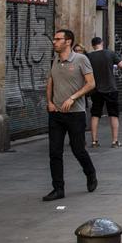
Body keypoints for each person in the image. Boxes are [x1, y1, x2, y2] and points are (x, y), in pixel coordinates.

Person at [43, 29, 98, 202]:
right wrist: (49, 102)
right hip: (56, 114)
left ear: (68, 42)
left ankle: (90, 174)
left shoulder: (81, 59)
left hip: (76, 114)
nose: (54, 41)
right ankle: (58, 188)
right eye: (54, 39)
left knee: (78, 150)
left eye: (58, 39)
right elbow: (50, 82)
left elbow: (91, 84)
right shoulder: (55, 60)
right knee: (54, 152)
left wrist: (73, 98)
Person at [87, 37, 122, 147]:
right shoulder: (110, 53)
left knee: (95, 114)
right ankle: (115, 141)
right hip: (110, 89)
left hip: (96, 89)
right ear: (102, 43)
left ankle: (94, 141)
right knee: (113, 114)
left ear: (93, 45)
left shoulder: (89, 56)